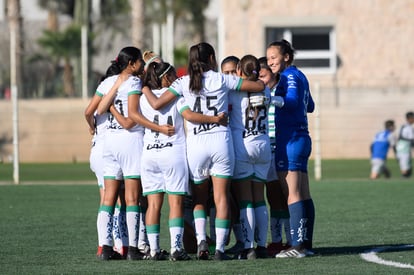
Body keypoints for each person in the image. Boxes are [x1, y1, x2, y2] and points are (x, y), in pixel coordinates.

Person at [141, 42, 265, 260]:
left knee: (199, 198)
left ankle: (201, 244)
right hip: (221, 142)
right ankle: (219, 250)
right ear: (211, 59)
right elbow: (258, 87)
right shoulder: (222, 79)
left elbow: (158, 103)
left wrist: (143, 86)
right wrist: (250, 78)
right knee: (221, 197)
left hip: (196, 145)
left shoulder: (183, 81)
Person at [95, 46, 174, 261]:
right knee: (132, 198)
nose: (141, 64)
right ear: (131, 64)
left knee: (108, 199)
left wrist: (111, 106)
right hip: (130, 142)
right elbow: (131, 120)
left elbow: (98, 110)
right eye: (139, 61)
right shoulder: (134, 82)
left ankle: (106, 247)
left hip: (109, 143)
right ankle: (132, 248)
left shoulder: (111, 81)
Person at [262, 39, 315, 258]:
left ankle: (297, 246)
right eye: (268, 59)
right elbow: (310, 105)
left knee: (291, 194)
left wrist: (269, 99)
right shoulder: (300, 75)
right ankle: (305, 244)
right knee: (303, 194)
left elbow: (292, 101)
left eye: (274, 57)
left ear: (286, 57)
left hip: (290, 140)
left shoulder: (290, 76)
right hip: (301, 137)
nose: (270, 62)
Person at [229, 54, 271, 259]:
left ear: (239, 71)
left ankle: (249, 246)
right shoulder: (266, 88)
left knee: (245, 200)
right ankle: (262, 245)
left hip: (244, 145)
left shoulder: (236, 91)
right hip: (263, 145)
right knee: (259, 199)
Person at [258, 57, 291, 256]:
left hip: (280, 149)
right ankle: (277, 240)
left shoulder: (282, 91)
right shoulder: (257, 92)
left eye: (264, 75)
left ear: (273, 74)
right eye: (258, 76)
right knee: (273, 197)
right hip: (265, 150)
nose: (261, 79)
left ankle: (292, 240)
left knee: (286, 196)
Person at [220, 55, 245, 256]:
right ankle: (221, 236)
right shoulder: (219, 92)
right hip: (221, 150)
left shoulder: (242, 92)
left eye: (231, 72)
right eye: (225, 73)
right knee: (222, 196)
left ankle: (244, 239)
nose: (228, 76)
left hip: (239, 148)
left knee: (237, 196)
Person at [395, 111, 414, 178]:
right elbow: (412, 140)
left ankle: (405, 177)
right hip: (405, 148)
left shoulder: (402, 126)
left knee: (404, 165)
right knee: (405, 166)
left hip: (400, 147)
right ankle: (404, 177)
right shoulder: (408, 128)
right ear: (410, 118)